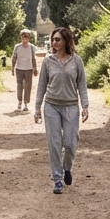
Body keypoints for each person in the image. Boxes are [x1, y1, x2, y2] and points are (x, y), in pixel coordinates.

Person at [34, 27, 89, 194]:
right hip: (51, 105)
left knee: (71, 143)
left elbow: (82, 85)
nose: (54, 42)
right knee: (55, 143)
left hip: (71, 105)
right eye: (53, 40)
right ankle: (57, 179)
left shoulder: (76, 61)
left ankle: (67, 168)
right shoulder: (48, 61)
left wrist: (85, 106)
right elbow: (42, 84)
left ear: (66, 40)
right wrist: (37, 107)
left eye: (57, 39)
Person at [12, 29, 37, 112]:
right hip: (19, 68)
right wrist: (12, 68)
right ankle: (19, 102)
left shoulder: (32, 47)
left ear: (29, 38)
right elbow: (14, 57)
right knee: (20, 85)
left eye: (27, 36)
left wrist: (35, 68)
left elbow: (33, 58)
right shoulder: (17, 47)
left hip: (29, 69)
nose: (25, 38)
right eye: (24, 36)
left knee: (28, 86)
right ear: (21, 37)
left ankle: (26, 103)